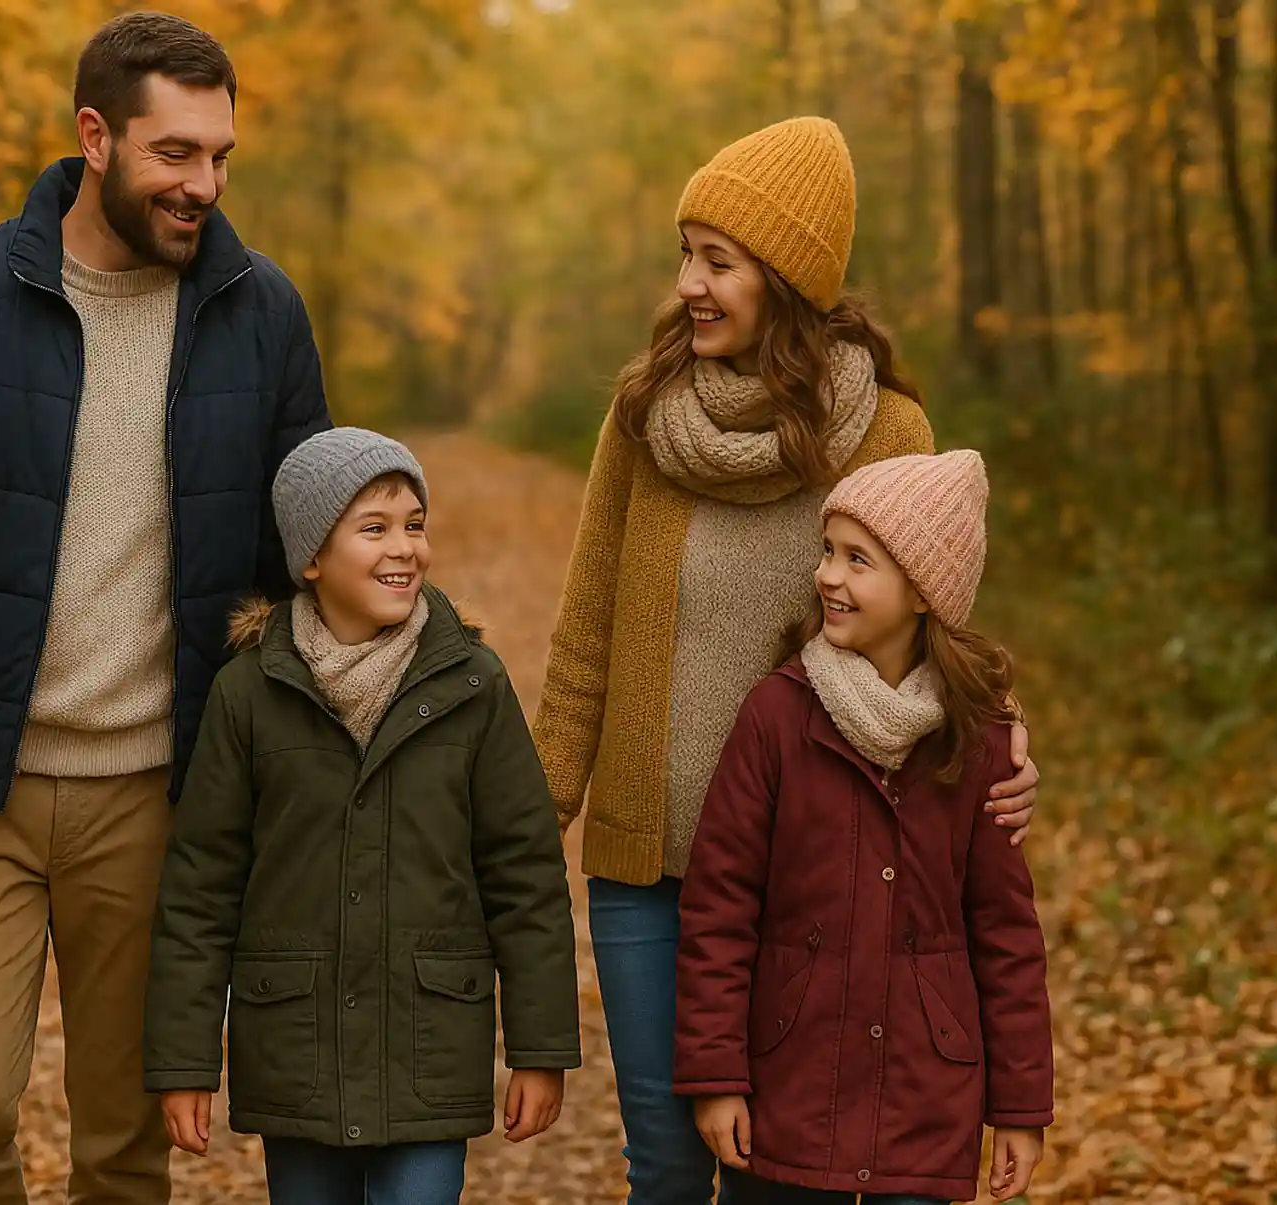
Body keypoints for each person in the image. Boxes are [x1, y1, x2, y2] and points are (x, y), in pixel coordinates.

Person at [0, 12, 330, 1203]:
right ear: (94, 137)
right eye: (175, 153)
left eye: (220, 156)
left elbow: (304, 565)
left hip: (156, 798)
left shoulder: (263, 312)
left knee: (124, 1148)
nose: (204, 185)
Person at [531, 116, 1042, 1205]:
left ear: (789, 276)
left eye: (718, 260)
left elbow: (935, 620)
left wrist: (1009, 737)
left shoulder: (888, 430)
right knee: (665, 1165)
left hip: (821, 875)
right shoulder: (642, 419)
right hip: (649, 868)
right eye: (686, 254)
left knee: (780, 1167)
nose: (689, 285)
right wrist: (530, 816)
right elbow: (585, 634)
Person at [142, 428, 581, 1205]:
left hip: (429, 1047)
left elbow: (526, 874)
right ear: (311, 556)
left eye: (415, 523)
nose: (404, 546)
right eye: (373, 527)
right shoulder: (249, 693)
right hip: (295, 1052)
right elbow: (201, 887)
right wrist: (183, 1064)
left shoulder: (472, 685)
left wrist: (541, 1047)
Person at [674, 451, 1053, 1205]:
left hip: (924, 1095)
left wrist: (1018, 1107)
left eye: (858, 559)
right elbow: (719, 907)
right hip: (789, 1087)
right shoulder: (777, 715)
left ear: (922, 590)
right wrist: (717, 1077)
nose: (827, 577)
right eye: (828, 551)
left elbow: (1005, 932)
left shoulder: (975, 741)